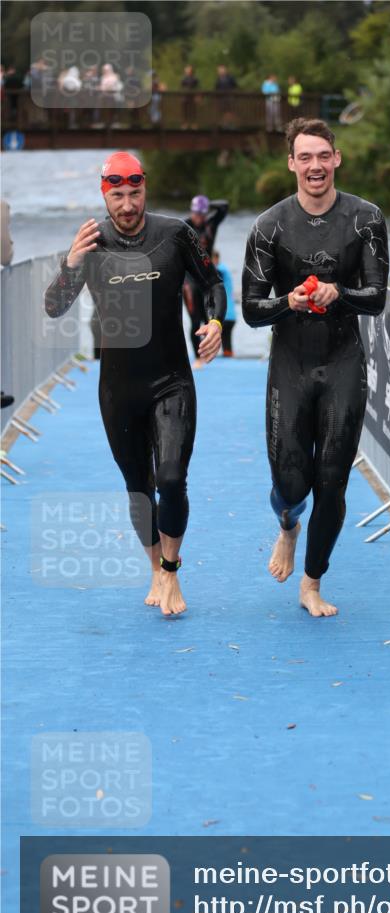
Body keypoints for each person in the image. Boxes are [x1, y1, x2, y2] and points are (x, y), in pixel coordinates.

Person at [44, 151, 226, 616]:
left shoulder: (175, 234)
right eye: (118, 196)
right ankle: (154, 567)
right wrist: (70, 264)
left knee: (172, 479)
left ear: (146, 188)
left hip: (171, 380)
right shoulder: (90, 243)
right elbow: (53, 307)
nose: (128, 205)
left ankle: (169, 571)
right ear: (105, 195)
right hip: (119, 389)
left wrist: (214, 321)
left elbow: (211, 284)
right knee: (138, 487)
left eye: (135, 193)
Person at [242, 117, 389, 617]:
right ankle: (288, 524)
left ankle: (311, 583)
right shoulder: (269, 227)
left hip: (343, 362)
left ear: (337, 159)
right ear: (292, 164)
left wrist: (338, 293)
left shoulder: (366, 219)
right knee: (291, 485)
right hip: (291, 366)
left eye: (322, 156)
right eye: (305, 157)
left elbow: (375, 299)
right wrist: (289, 300)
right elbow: (251, 310)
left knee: (333, 480)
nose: (315, 166)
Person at [183, 193, 229, 367]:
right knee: (195, 320)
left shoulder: (211, 224)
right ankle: (198, 357)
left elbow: (224, 206)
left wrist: (208, 204)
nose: (199, 217)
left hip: (206, 276)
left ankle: (210, 353)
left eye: (202, 214)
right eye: (196, 213)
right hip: (189, 280)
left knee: (209, 318)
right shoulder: (184, 226)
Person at [212, 251, 236, 356]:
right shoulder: (224, 269)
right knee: (226, 343)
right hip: (230, 315)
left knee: (217, 338)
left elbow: (212, 272)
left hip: (224, 314)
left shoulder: (221, 270)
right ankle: (228, 354)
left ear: (216, 259)